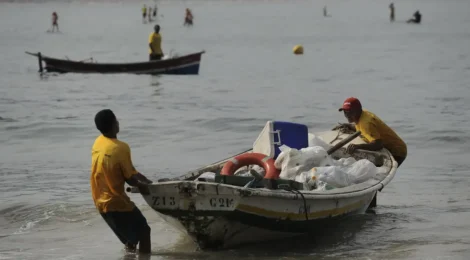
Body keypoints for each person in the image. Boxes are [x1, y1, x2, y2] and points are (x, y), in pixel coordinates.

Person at [90, 109, 153, 254]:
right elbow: (130, 179)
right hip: (115, 202)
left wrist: (147, 181)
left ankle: (129, 255)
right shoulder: (120, 148)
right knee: (144, 231)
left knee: (129, 239)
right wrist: (144, 187)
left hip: (99, 200)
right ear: (114, 125)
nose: (118, 122)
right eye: (116, 120)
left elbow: (130, 172)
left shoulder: (98, 142)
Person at [337, 97, 407, 167]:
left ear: (357, 111)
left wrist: (357, 146)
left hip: (397, 151)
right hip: (388, 146)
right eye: (345, 112)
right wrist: (349, 126)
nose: (347, 115)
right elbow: (360, 127)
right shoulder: (362, 115)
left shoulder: (366, 124)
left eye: (350, 112)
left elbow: (378, 144)